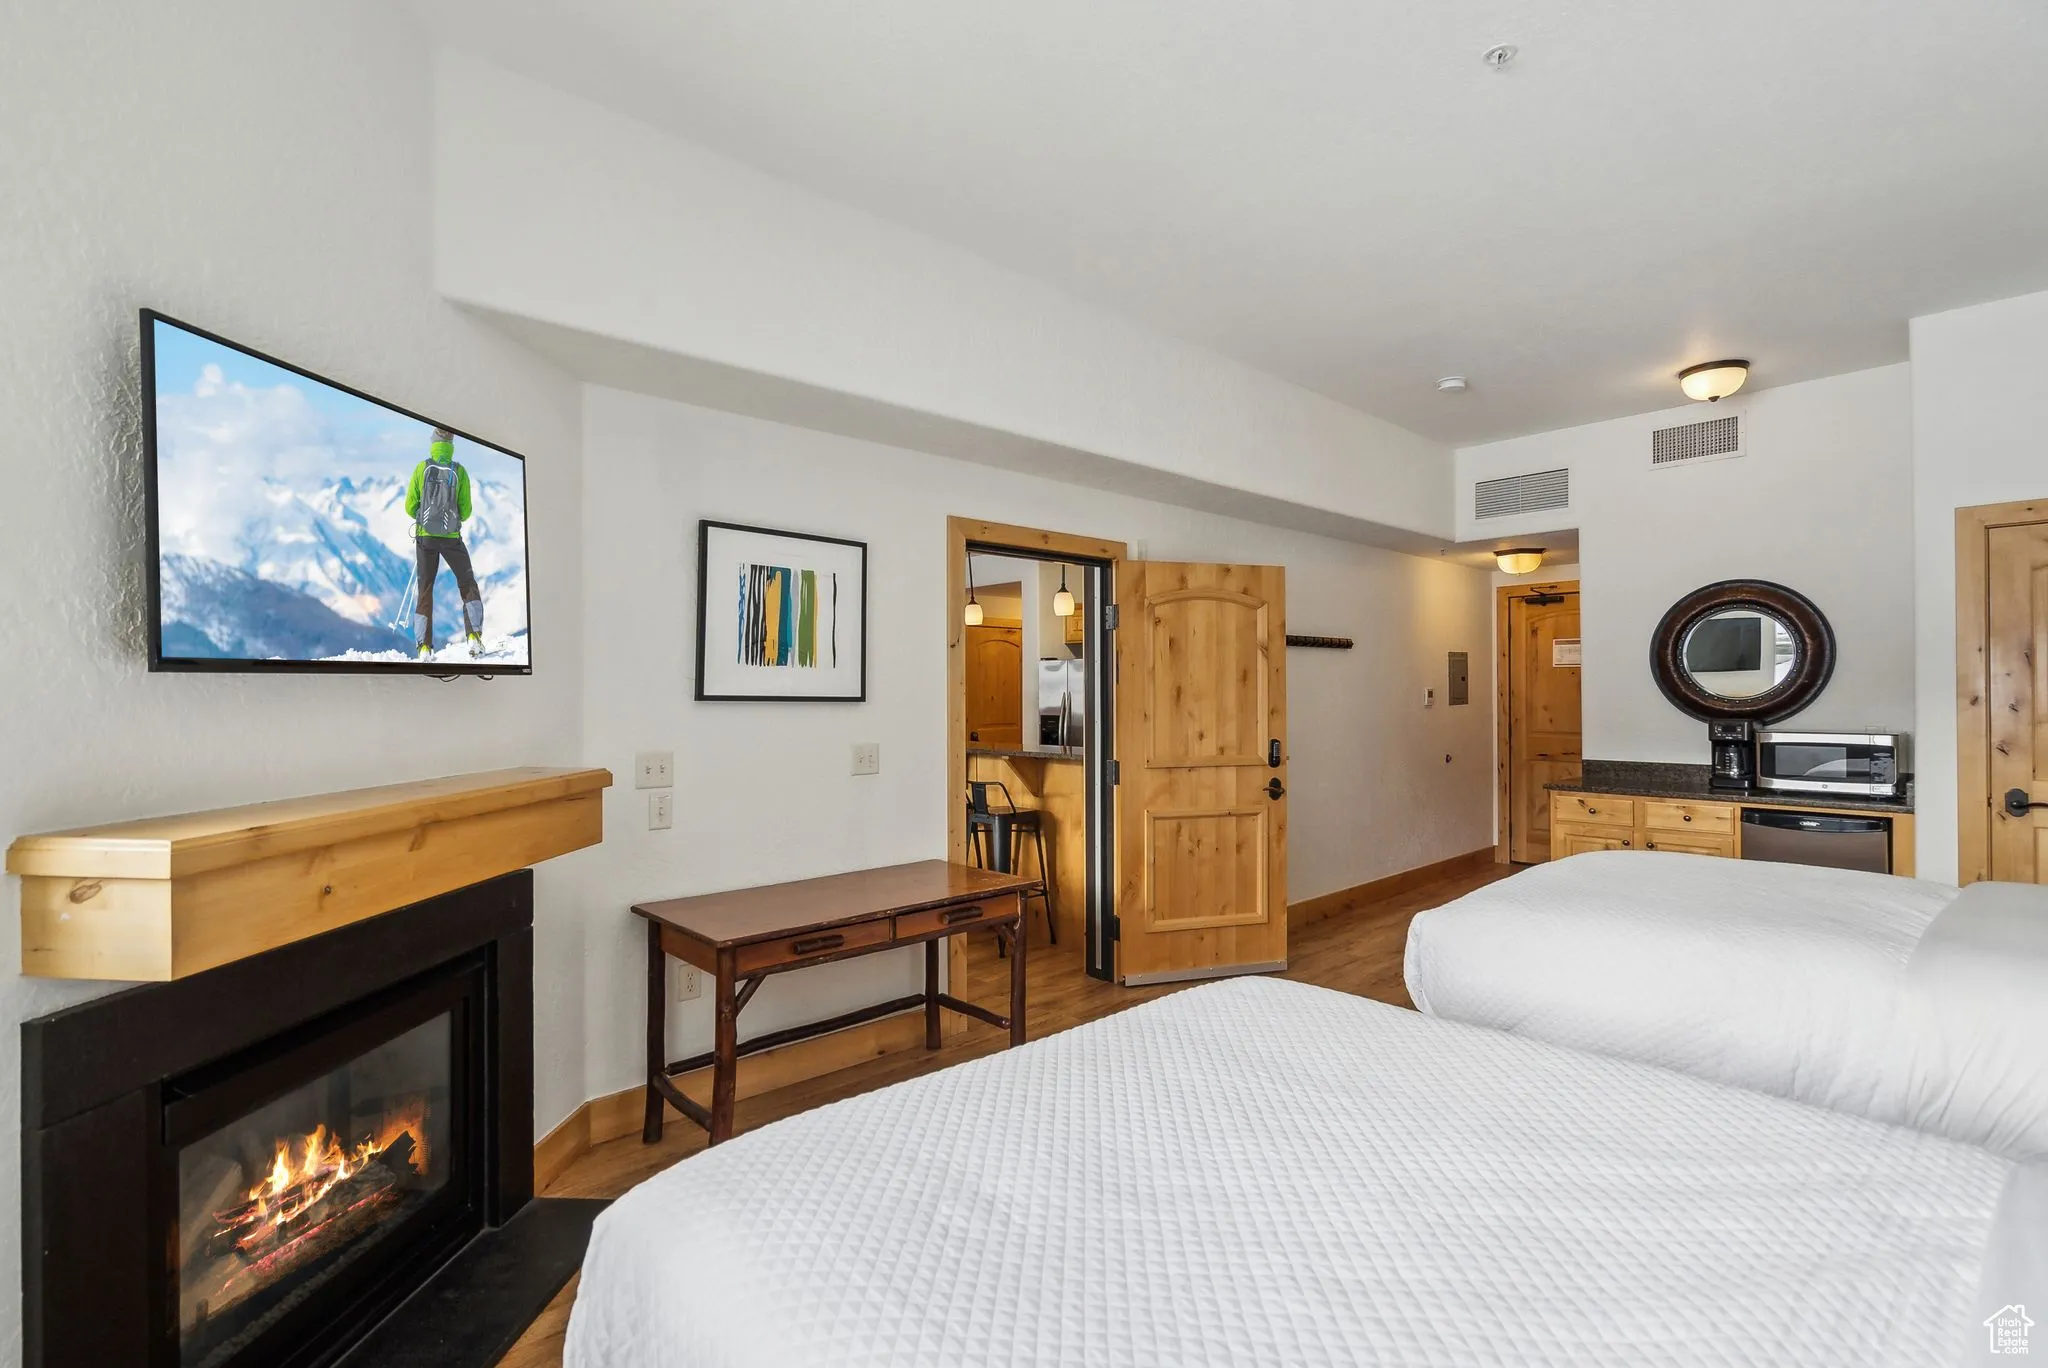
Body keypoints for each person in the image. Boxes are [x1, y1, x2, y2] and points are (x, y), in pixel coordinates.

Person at [405, 426, 484, 658]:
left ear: (433, 442)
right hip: (451, 539)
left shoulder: (422, 468)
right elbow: (466, 511)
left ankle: (424, 648)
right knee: (467, 582)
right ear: (452, 445)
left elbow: (410, 506)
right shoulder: (460, 471)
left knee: (425, 589)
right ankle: (473, 636)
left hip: (425, 538)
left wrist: (426, 518)